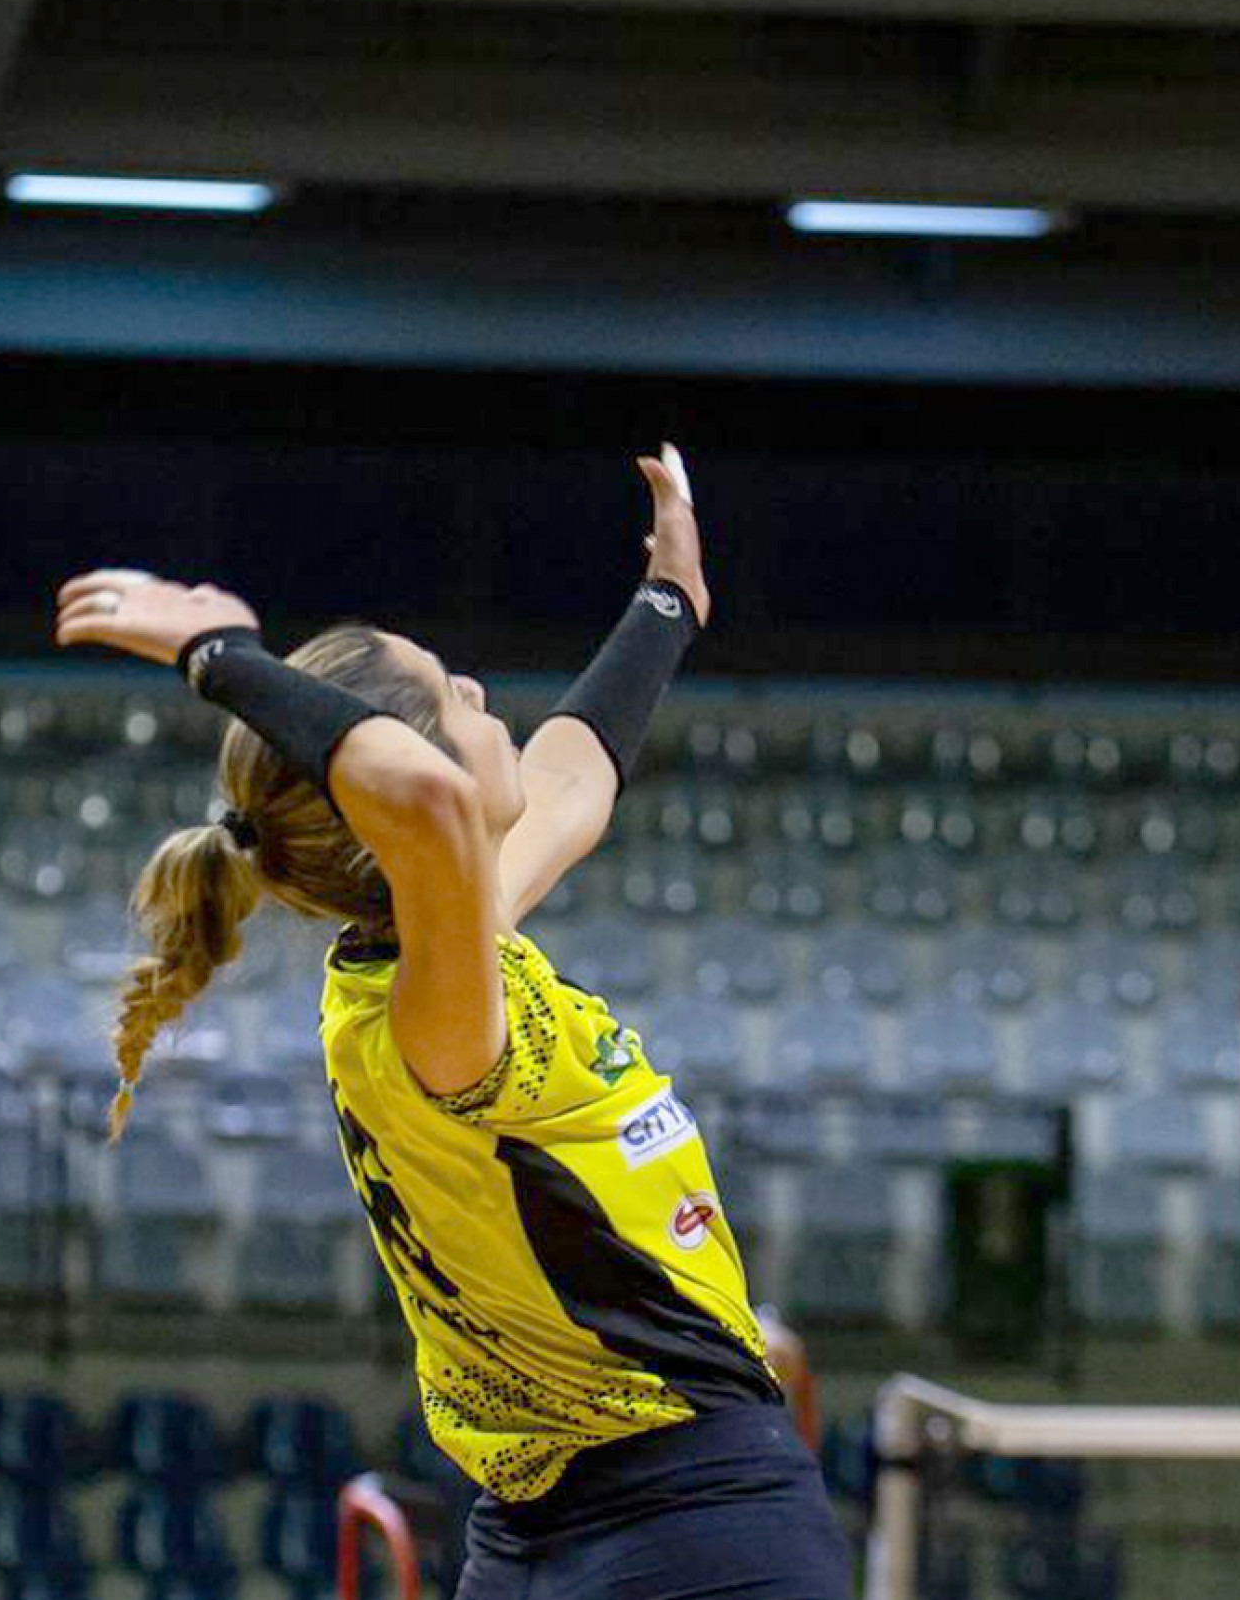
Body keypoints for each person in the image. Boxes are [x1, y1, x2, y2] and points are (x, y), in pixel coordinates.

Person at [54, 445, 851, 1600]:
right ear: (403, 793)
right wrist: (219, 650)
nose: (482, 697)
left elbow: (573, 783)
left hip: (546, 1529)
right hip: (692, 1516)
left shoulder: (436, 953)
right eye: (452, 693)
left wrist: (669, 601)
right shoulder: (433, 1016)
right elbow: (423, 802)